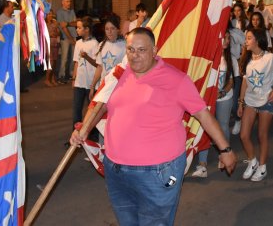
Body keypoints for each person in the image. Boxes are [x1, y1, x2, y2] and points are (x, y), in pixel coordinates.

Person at [70, 28, 236, 225]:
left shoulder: (176, 80)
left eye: (141, 50)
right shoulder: (118, 75)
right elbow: (100, 104)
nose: (135, 55)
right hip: (116, 171)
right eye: (130, 49)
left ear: (154, 51)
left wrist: (225, 149)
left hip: (161, 173)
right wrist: (83, 130)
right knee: (127, 221)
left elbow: (203, 115)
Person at [238, 28, 273, 182]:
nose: (245, 41)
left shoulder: (271, 58)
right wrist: (240, 103)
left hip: (267, 102)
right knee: (244, 135)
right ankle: (252, 161)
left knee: (262, 136)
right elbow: (245, 81)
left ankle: (262, 167)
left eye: (248, 38)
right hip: (250, 101)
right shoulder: (247, 58)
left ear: (257, 40)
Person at [192, 28, 238, 178]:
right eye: (223, 37)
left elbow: (232, 81)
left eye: (228, 38)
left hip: (225, 97)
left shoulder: (231, 58)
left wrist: (222, 92)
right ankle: (202, 164)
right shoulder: (209, 57)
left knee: (223, 125)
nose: (226, 40)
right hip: (207, 99)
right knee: (206, 127)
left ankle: (225, 154)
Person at [72, 16, 99, 135]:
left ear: (86, 29)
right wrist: (74, 78)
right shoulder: (78, 43)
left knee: (91, 110)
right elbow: (76, 62)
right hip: (79, 82)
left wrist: (87, 57)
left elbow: (97, 64)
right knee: (76, 110)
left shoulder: (95, 44)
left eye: (79, 28)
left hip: (90, 83)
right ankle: (75, 134)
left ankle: (90, 135)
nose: (77, 30)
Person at [89, 16, 126, 97]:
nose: (109, 31)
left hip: (119, 87)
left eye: (112, 28)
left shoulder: (125, 45)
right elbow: (99, 67)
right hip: (104, 87)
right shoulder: (101, 45)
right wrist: (93, 86)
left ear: (118, 29)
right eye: (107, 29)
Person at [57, 0, 78, 84]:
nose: (69, 3)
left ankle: (70, 74)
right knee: (64, 58)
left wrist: (68, 23)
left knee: (73, 57)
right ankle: (61, 76)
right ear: (62, 2)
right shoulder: (59, 12)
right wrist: (71, 39)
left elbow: (76, 23)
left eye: (69, 1)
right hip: (66, 37)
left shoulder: (72, 11)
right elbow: (63, 27)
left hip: (73, 36)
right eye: (67, 1)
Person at [45, 10, 61, 86]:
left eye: (51, 14)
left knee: (54, 62)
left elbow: (58, 33)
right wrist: (50, 34)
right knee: (50, 62)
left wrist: (56, 29)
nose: (50, 15)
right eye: (48, 14)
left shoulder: (54, 23)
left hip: (55, 43)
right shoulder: (43, 24)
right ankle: (47, 79)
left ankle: (53, 79)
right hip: (48, 43)